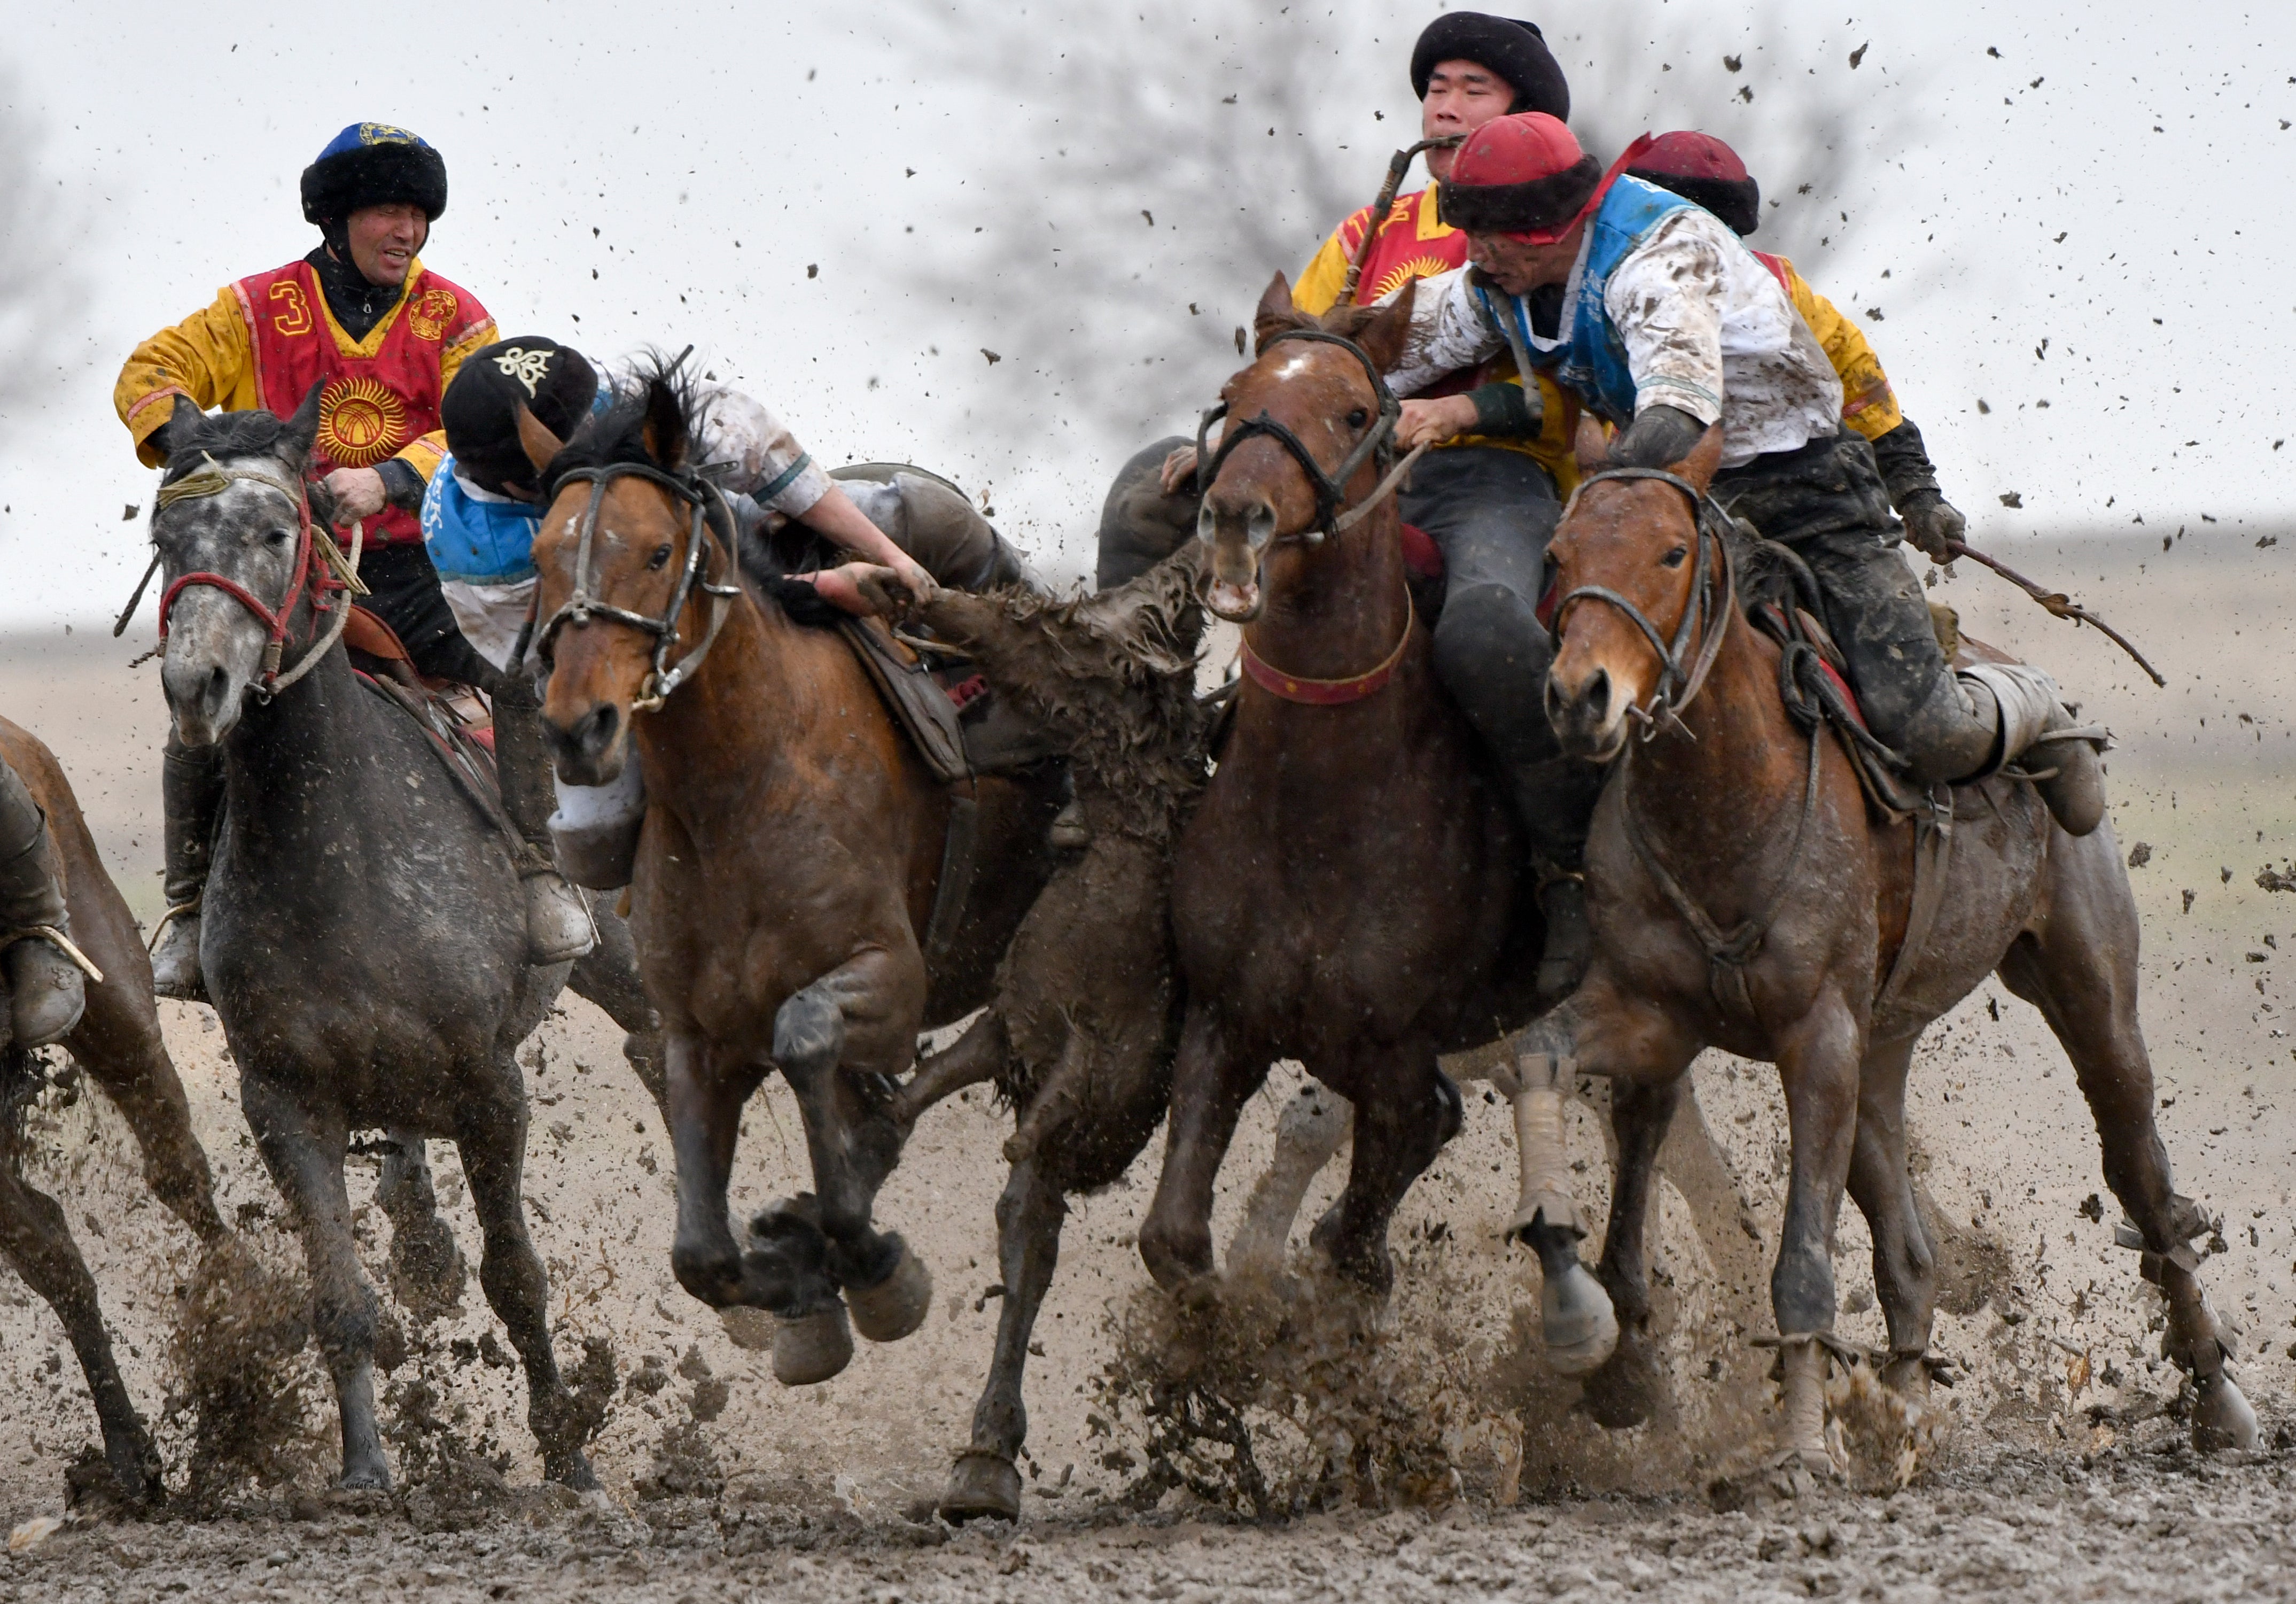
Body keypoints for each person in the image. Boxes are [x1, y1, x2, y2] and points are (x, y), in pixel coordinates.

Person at [1391, 112, 2105, 836]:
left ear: (1548, 227)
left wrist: (1912, 487)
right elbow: (1403, 345)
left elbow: (1679, 412)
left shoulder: (1658, 261)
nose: (1474, 255)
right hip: (1687, 506)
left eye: (1490, 237)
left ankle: (2033, 709)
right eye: (1470, 234)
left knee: (1923, 727)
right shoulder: (1506, 277)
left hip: (1808, 495)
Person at [1139, 14, 1605, 994]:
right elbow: (1286, 360)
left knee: (1480, 626)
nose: (1443, 101)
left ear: (1525, 115)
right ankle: (1135, 771)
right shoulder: (1364, 235)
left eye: (1473, 87)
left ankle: (1568, 869)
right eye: (1435, 84)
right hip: (1349, 475)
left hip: (1493, 476)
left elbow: (1576, 388)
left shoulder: (1557, 227)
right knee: (1145, 500)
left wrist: (1453, 409)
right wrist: (1226, 443)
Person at [115, 122, 590, 1000]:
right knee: (199, 693)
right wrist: (206, 448)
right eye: (386, 212)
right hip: (287, 569)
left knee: (514, 669)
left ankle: (537, 868)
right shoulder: (257, 308)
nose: (405, 232)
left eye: (417, 215)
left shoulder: (455, 316)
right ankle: (186, 910)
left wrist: (391, 477)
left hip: (422, 565)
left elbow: (480, 427)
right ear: (338, 220)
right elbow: (153, 370)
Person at [1622, 130, 1968, 560]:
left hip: (1807, 504)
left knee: (1897, 623)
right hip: (1654, 512)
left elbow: (1861, 392)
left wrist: (1915, 492)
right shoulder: (1600, 295)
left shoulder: (1780, 287)